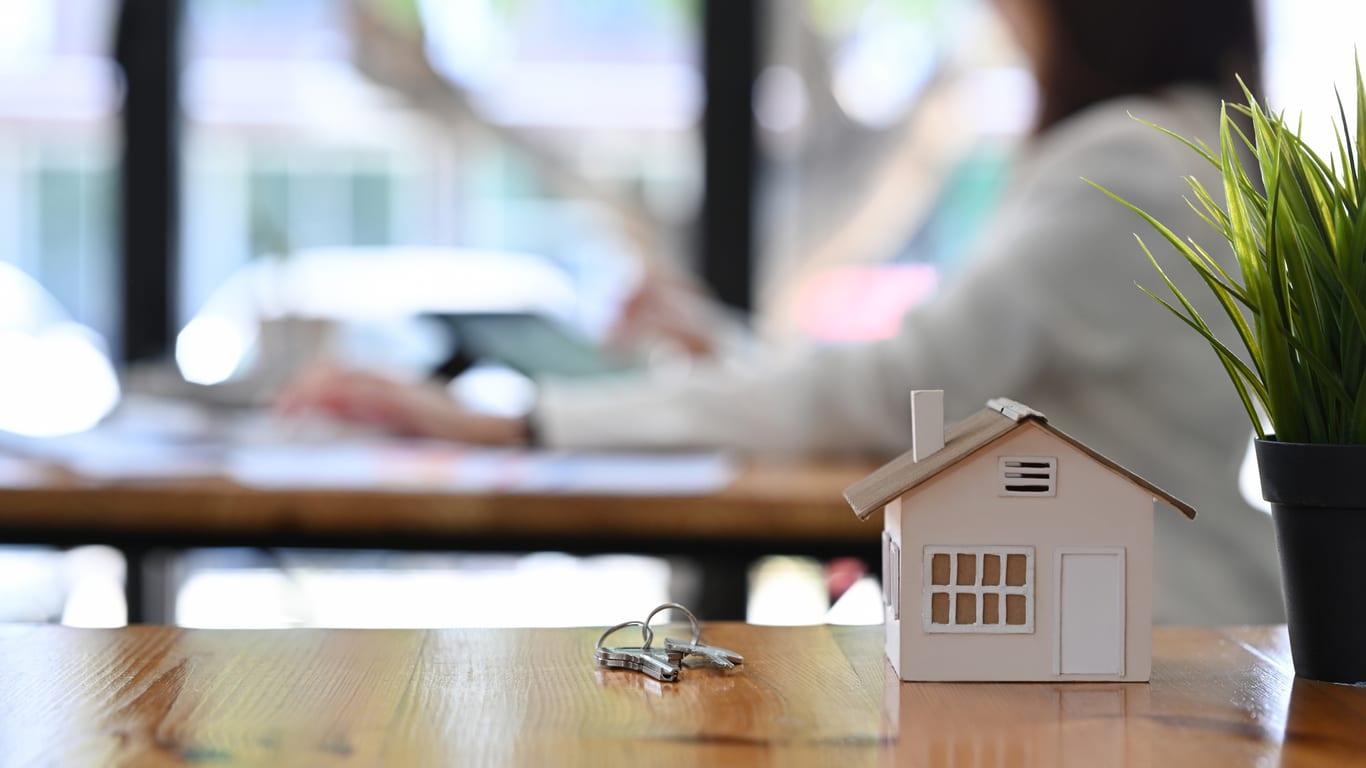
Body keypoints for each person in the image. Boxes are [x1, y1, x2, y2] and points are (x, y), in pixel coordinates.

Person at [277, 0, 1283, 624]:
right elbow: (953, 388)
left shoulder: (1123, 167)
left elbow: (898, 392)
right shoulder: (1195, 154)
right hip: (1160, 623)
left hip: (1140, 646)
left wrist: (522, 418)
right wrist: (718, 340)